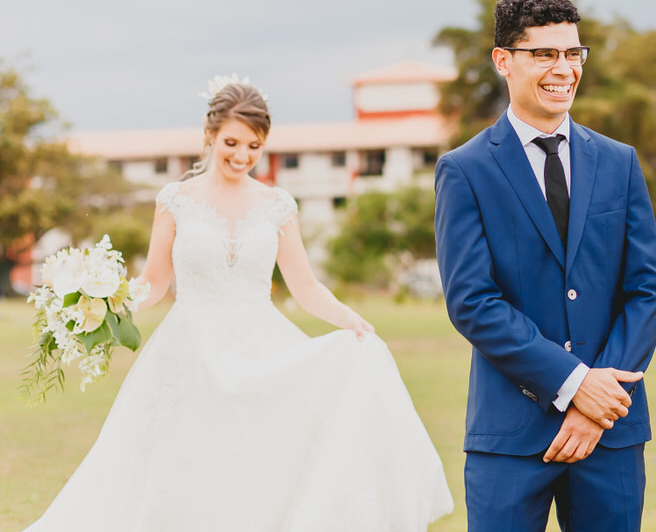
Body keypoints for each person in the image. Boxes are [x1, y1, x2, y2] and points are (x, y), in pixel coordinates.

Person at [25, 77, 452, 532]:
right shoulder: (175, 200)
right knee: (182, 469)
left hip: (260, 349)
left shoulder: (277, 205)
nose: (242, 155)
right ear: (209, 136)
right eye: (232, 142)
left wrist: (354, 323)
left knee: (257, 467)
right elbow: (153, 282)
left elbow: (305, 286)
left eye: (254, 145)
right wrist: (98, 302)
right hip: (188, 352)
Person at [434, 0, 656, 531]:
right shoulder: (465, 170)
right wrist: (572, 383)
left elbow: (646, 290)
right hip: (510, 437)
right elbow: (472, 301)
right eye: (544, 54)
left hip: (610, 433)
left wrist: (598, 403)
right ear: (503, 61)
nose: (563, 68)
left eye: (572, 53)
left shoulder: (619, 162)